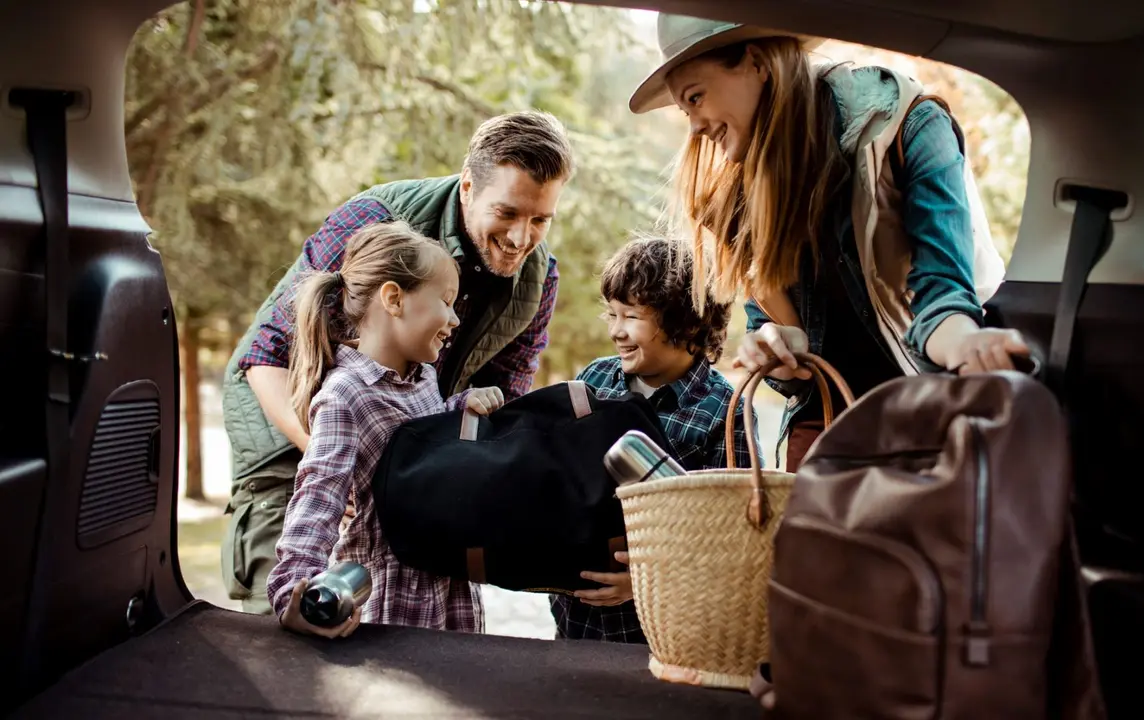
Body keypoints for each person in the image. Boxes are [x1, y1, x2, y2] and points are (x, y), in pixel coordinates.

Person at [628, 13, 1031, 471]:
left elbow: (944, 297)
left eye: (696, 98)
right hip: (828, 430)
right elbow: (780, 332)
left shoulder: (907, 125)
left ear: (756, 63)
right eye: (686, 111)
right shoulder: (737, 200)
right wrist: (774, 346)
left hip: (929, 410)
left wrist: (968, 347)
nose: (695, 127)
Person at [222, 111, 574, 614]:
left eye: (540, 220)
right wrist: (343, 468)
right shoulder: (374, 217)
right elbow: (265, 356)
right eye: (508, 213)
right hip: (292, 442)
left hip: (403, 462)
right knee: (292, 631)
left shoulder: (538, 282)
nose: (522, 237)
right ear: (469, 186)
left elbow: (500, 412)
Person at [266, 221, 506, 637]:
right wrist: (294, 593)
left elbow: (421, 445)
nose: (453, 319)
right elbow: (318, 498)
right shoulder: (346, 395)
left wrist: (458, 409)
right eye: (447, 301)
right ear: (394, 298)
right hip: (393, 602)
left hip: (449, 591)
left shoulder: (423, 378)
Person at [550, 235, 763, 644]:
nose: (616, 331)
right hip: (574, 621)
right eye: (611, 314)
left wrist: (643, 582)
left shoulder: (725, 411)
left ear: (686, 321)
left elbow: (726, 536)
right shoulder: (594, 380)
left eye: (630, 316)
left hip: (657, 629)